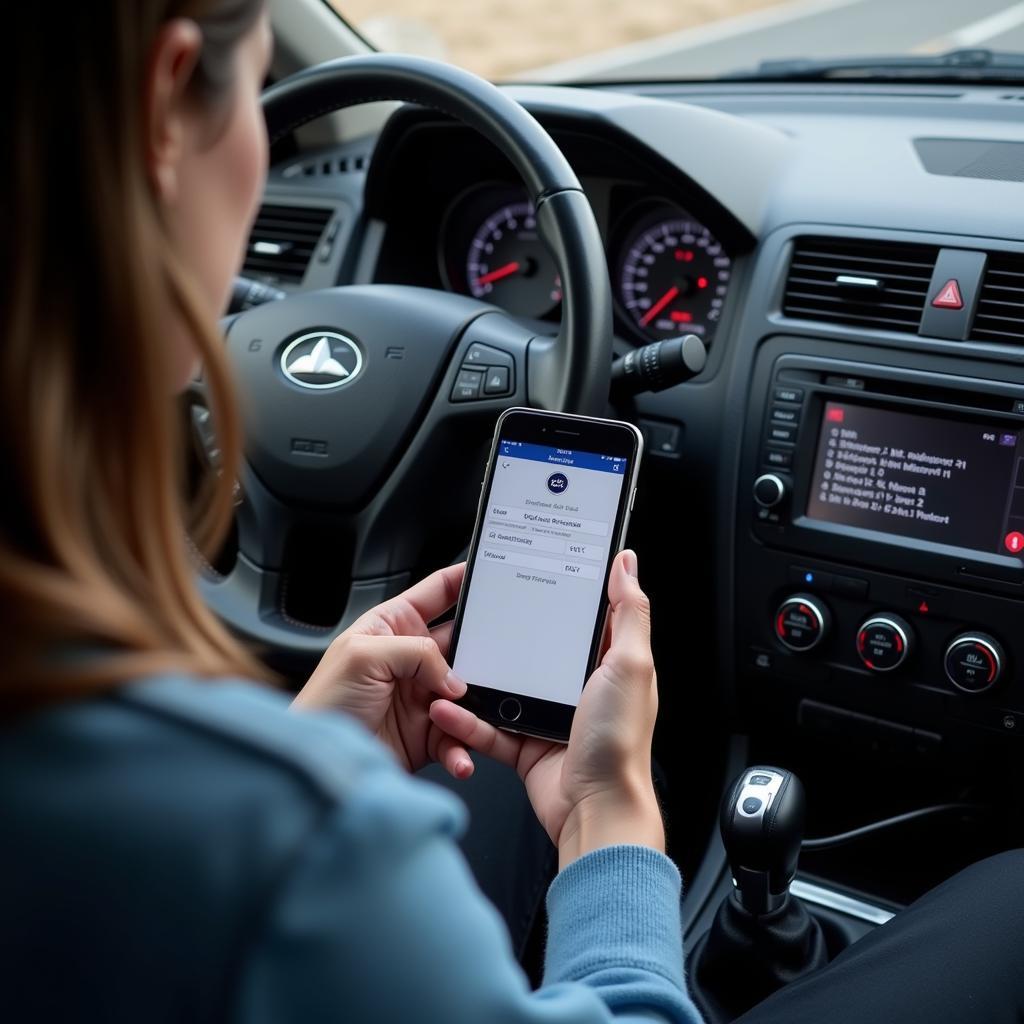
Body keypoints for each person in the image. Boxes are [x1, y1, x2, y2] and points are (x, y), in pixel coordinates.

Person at [2, 2, 700, 1020]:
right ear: (167, 98)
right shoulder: (292, 846)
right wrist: (611, 817)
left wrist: (297, 743)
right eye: (252, 97)